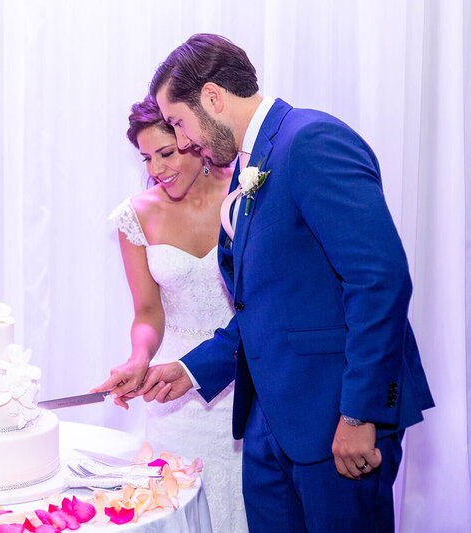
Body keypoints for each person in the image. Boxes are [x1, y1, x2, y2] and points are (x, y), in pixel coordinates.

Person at [137, 34, 434, 532]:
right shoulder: (248, 166)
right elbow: (264, 303)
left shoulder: (311, 140)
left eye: (179, 122)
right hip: (270, 424)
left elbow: (380, 278)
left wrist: (361, 415)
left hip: (337, 422)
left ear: (212, 97)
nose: (184, 140)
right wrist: (192, 369)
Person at [92, 95, 248, 533]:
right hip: (172, 391)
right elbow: (146, 310)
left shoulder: (243, 197)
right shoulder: (136, 216)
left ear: (194, 140)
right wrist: (139, 357)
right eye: (146, 157)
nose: (157, 168)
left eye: (166, 152)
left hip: (244, 375)